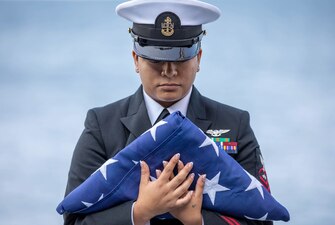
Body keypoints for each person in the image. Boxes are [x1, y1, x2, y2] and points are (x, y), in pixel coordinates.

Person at [63, 0, 273, 225]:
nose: (169, 71)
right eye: (156, 59)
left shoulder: (235, 124)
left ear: (199, 58)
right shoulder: (102, 126)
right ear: (136, 59)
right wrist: (140, 212)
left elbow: (262, 218)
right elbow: (74, 219)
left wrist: (197, 221)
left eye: (180, 58)